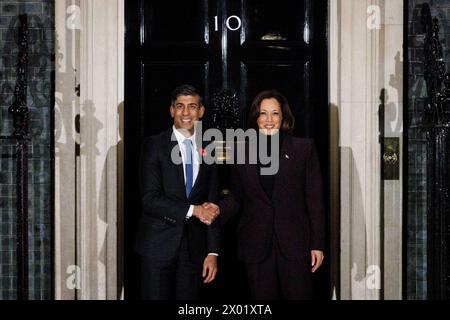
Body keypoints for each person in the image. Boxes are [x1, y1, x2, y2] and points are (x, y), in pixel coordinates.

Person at [205, 89, 325, 299]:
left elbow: (315, 201)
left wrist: (317, 244)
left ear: (284, 117)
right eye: (263, 113)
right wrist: (218, 209)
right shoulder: (241, 151)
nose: (269, 120)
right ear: (256, 117)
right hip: (256, 243)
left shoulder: (303, 149)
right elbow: (237, 196)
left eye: (275, 113)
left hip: (295, 243)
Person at [134, 84, 220, 300]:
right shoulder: (154, 145)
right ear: (172, 110)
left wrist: (212, 252)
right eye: (180, 106)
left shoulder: (209, 147)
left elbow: (212, 201)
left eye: (192, 106)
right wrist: (194, 210)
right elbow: (150, 199)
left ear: (201, 111)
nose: (186, 113)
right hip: (157, 247)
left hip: (194, 251)